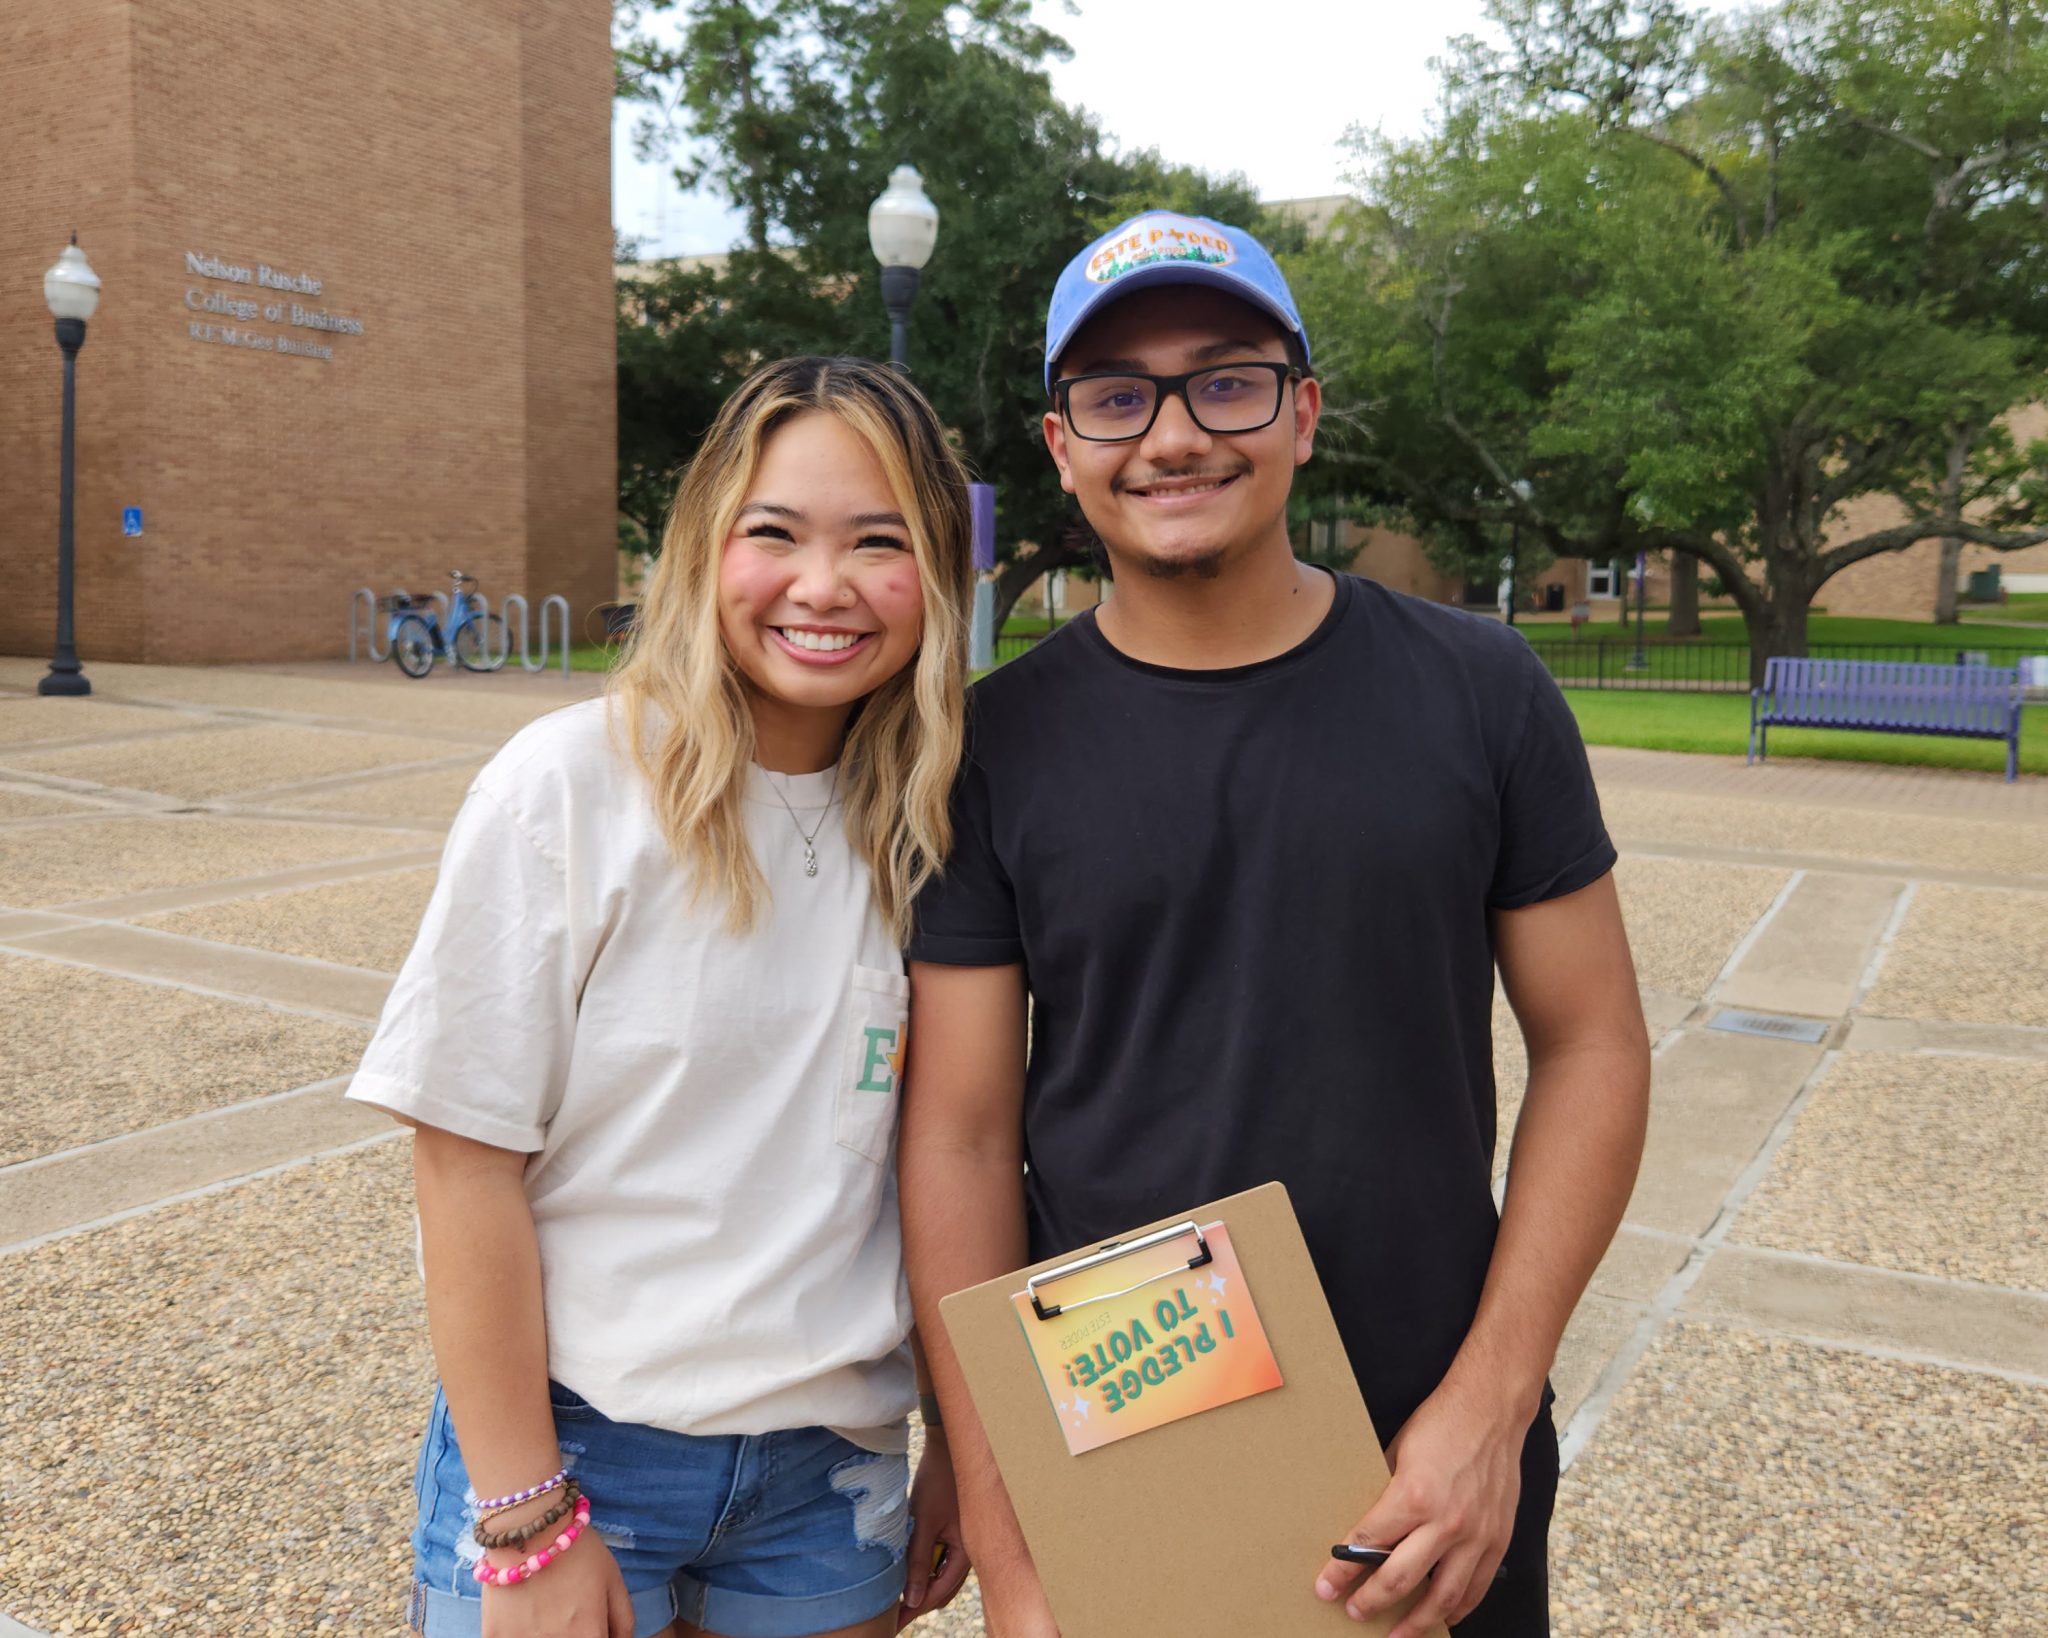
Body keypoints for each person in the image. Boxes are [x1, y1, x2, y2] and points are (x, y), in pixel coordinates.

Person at [899, 212, 1651, 1638]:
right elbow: (960, 1136)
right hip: (1132, 1435)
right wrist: (1009, 1534)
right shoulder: (985, 746)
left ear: (1303, 414)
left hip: (1430, 1430)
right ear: (1063, 446)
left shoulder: (1482, 690)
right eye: (1118, 395)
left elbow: (1595, 1042)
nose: (1172, 433)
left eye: (1225, 380)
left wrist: (1491, 1406)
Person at [349, 355, 977, 1638]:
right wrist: (523, 1514)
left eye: (880, 540)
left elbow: (957, 1157)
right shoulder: (568, 787)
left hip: (831, 1465)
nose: (823, 585)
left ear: (940, 576)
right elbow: (462, 1160)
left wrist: (965, 1449)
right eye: (775, 533)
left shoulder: (943, 826)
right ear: (704, 546)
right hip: (576, 1450)